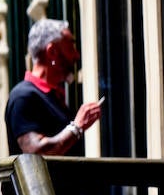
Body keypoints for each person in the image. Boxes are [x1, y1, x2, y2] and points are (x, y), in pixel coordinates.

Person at [5, 19, 102, 157]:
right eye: (70, 47)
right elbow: (36, 152)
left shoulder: (53, 97)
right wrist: (76, 127)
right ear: (51, 52)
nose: (76, 55)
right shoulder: (23, 97)